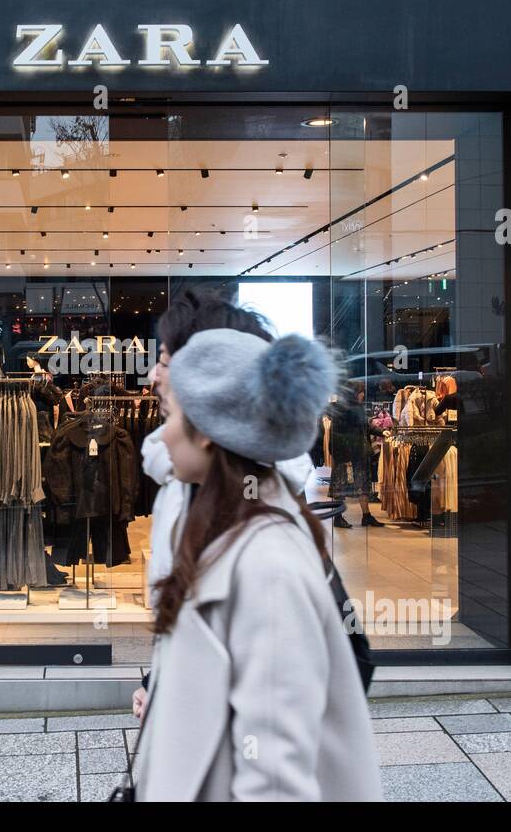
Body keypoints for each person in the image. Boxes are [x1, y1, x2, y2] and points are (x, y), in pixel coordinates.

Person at [133, 328, 382, 801]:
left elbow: (274, 781)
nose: (161, 432)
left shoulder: (267, 567)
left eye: (171, 414)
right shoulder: (228, 526)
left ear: (205, 430)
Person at [134, 289, 313, 720]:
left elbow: (283, 719)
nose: (153, 378)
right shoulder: (182, 487)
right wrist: (157, 683)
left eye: (163, 360)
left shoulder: (263, 535)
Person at [324, 380, 382, 529]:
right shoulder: (342, 409)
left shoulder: (357, 408)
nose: (363, 394)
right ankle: (337, 517)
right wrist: (342, 453)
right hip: (346, 455)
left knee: (362, 484)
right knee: (340, 486)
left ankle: (366, 516)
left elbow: (365, 426)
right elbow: (338, 434)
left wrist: (381, 432)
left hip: (358, 454)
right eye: (361, 392)